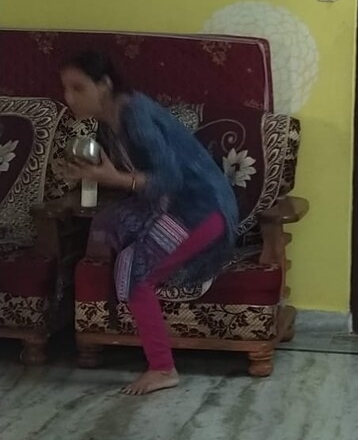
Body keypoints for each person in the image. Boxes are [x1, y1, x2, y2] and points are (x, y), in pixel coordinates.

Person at [60, 51, 238, 395]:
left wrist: (113, 178)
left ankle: (162, 368)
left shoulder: (136, 115)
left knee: (135, 269)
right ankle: (114, 320)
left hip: (202, 211)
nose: (69, 98)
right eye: (66, 88)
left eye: (78, 88)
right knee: (107, 224)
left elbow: (169, 179)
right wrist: (98, 175)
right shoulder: (109, 120)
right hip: (171, 206)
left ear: (104, 84)